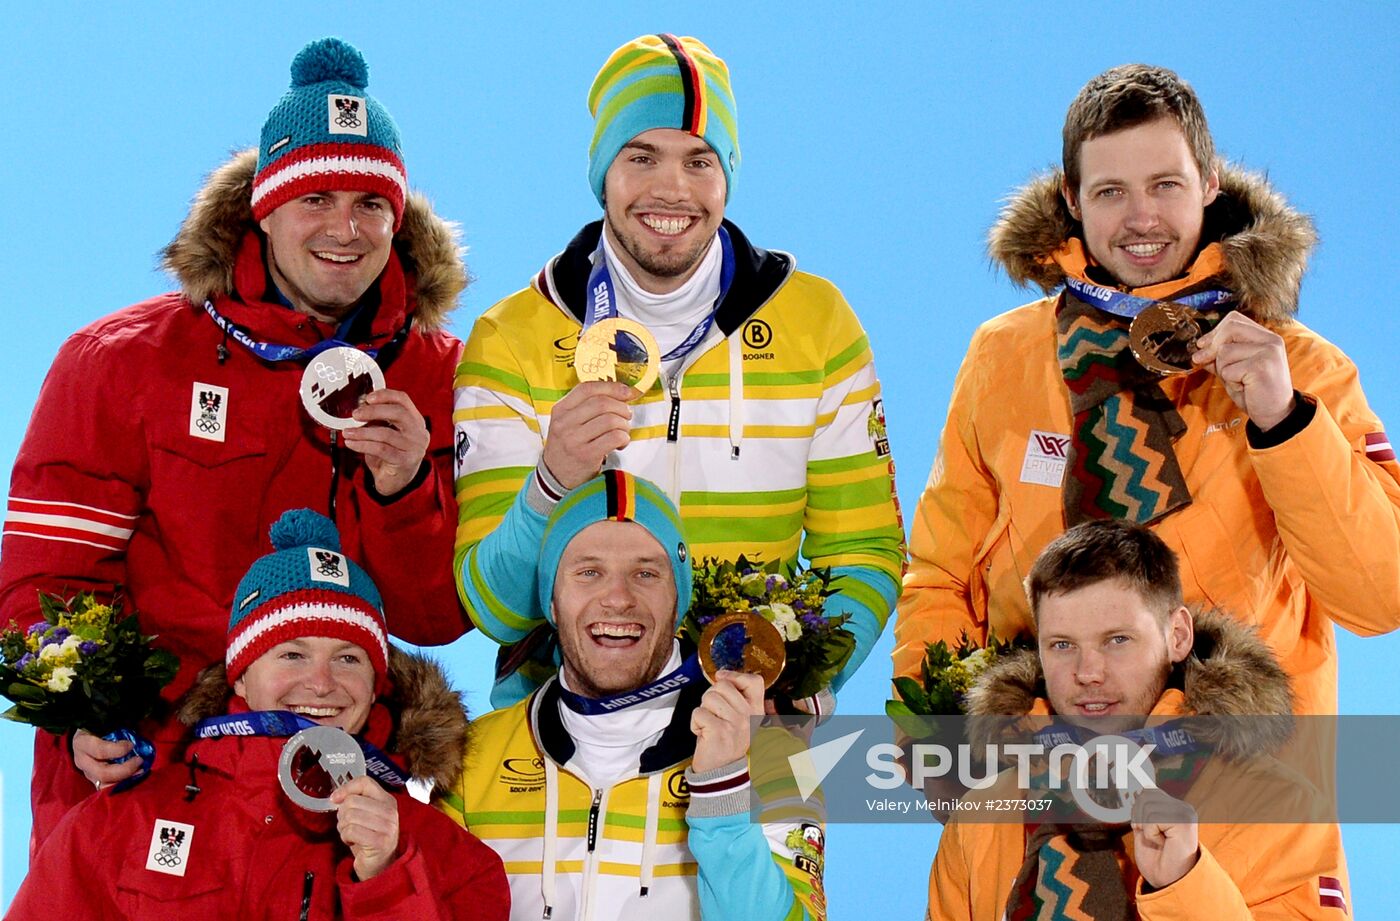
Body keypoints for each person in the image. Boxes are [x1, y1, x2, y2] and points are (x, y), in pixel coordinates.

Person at [0, 37, 470, 849]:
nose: (345, 230)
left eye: (370, 205)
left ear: (401, 219)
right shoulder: (121, 361)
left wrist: (401, 491)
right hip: (145, 782)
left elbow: (436, 616)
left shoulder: (446, 380)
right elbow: (44, 583)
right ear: (263, 204)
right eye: (316, 198)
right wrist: (84, 711)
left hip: (331, 786)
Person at [894, 64, 1400, 720]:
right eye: (1110, 191)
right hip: (1039, 789)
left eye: (1165, 184)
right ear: (1073, 199)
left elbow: (1380, 597)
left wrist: (1283, 422)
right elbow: (940, 573)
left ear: (1210, 182)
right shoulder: (1003, 354)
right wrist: (935, 731)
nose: (1141, 219)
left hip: (1239, 800)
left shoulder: (1301, 367)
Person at [452, 34, 904, 704]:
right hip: (563, 740)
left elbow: (865, 547)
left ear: (728, 175)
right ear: (603, 170)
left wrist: (808, 672)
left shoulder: (817, 323)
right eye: (642, 157)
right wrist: (551, 482)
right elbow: (494, 606)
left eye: (700, 160)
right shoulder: (511, 337)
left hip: (753, 720)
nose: (672, 188)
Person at [7, 509, 509, 920]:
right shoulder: (115, 824)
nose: (321, 682)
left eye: (348, 658)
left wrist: (387, 879)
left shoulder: (451, 859)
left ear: (377, 686)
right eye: (291, 654)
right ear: (241, 675)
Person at [438, 470, 827, 920]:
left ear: (677, 602)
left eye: (645, 573)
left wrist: (722, 792)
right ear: (551, 600)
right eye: (588, 572)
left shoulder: (774, 753)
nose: (618, 598)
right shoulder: (471, 758)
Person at [927, 519, 1350, 920]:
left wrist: (1184, 883)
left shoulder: (1282, 808)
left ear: (1178, 636)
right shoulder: (979, 819)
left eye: (1117, 640)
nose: (1088, 672)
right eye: (1061, 645)